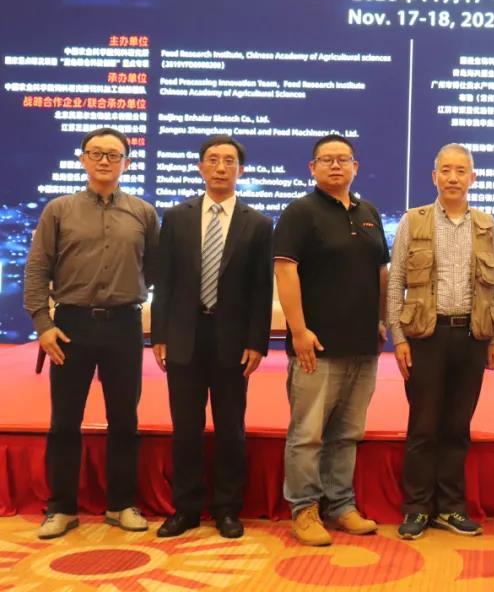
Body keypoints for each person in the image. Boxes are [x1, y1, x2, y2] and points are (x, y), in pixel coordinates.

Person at [24, 127, 159, 539]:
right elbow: (37, 269)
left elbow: (155, 269)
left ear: (126, 163)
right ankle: (61, 508)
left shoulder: (143, 212)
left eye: (113, 155)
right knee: (65, 420)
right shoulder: (59, 210)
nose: (104, 161)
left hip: (124, 326)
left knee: (125, 420)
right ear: (82, 159)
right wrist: (43, 324)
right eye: (96, 153)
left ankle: (121, 504)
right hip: (71, 327)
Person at [151, 135, 273, 539]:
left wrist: (256, 342)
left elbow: (261, 289)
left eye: (229, 161)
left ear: (241, 170)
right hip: (184, 336)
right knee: (185, 428)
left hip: (233, 341)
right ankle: (185, 509)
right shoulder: (177, 217)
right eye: (214, 160)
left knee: (230, 428)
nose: (221, 167)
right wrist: (160, 334)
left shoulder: (258, 223)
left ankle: (227, 509)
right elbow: (165, 281)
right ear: (201, 167)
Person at [273, 134, 389, 546]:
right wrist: (298, 330)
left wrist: (381, 320)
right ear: (313, 168)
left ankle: (341, 505)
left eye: (343, 159)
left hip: (363, 345)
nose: (336, 166)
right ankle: (304, 508)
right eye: (327, 160)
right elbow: (285, 270)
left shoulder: (368, 213)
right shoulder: (300, 212)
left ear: (356, 167)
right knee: (308, 434)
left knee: (347, 432)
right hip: (316, 346)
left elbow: (381, 272)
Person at [387, 143, 494, 540]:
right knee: (423, 426)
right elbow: (396, 282)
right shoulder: (413, 220)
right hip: (425, 336)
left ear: (473, 177)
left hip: (471, 337)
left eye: (461, 171)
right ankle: (417, 508)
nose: (453, 178)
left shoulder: (486, 225)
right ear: (434, 176)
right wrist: (398, 338)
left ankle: (451, 508)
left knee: (457, 426)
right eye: (446, 170)